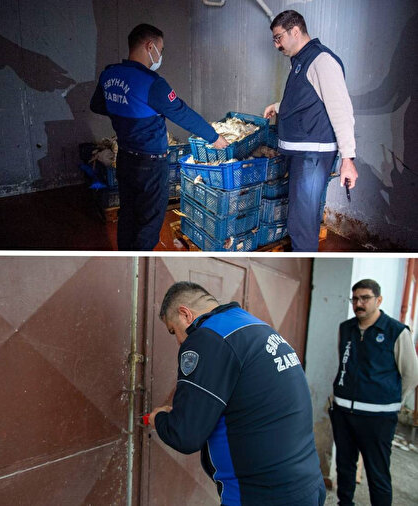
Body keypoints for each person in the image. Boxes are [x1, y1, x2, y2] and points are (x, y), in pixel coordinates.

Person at [150, 282, 325, 506]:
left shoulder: (206, 337)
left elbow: (185, 434)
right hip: (306, 484)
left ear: (185, 314)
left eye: (174, 331)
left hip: (261, 495)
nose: (179, 341)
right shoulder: (254, 326)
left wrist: (160, 419)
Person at [90, 23, 229, 251]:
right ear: (150, 46)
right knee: (149, 222)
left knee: (128, 215)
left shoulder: (110, 73)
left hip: (124, 158)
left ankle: (125, 257)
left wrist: (125, 109)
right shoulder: (152, 83)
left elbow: (97, 105)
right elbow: (181, 113)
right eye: (160, 50)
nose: (160, 56)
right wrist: (213, 137)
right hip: (150, 164)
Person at [262, 10, 358, 252]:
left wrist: (348, 159)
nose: (276, 45)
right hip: (302, 155)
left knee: (302, 221)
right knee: (298, 216)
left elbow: (341, 111)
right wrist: (277, 107)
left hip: (313, 157)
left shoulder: (322, 61)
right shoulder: (302, 61)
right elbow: (304, 100)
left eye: (278, 38)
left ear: (295, 31)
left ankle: (302, 255)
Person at [331, 279, 418, 506]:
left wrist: (388, 401)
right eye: (355, 299)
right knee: (345, 467)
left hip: (377, 419)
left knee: (377, 473)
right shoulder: (346, 328)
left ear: (378, 300)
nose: (359, 303)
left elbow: (411, 374)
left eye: (365, 298)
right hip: (344, 414)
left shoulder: (396, 332)